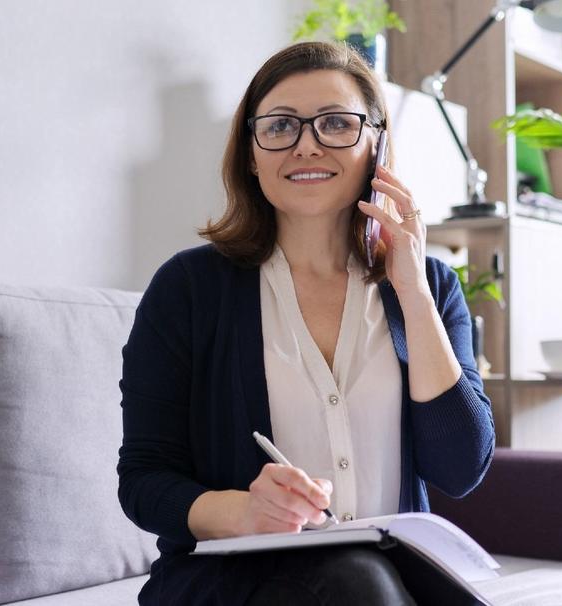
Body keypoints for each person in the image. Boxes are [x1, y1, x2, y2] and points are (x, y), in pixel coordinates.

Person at [117, 41, 495, 605]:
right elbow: (144, 481)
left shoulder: (431, 286)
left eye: (337, 123)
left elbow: (461, 467)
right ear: (252, 152)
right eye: (281, 126)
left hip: (394, 580)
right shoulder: (188, 289)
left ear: (377, 144)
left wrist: (412, 291)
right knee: (357, 582)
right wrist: (245, 511)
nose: (306, 145)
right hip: (237, 585)